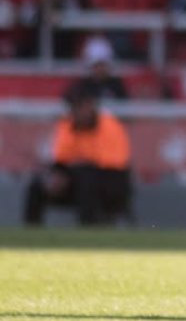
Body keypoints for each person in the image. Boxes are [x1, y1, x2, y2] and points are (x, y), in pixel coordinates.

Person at [23, 80, 134, 226]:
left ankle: (89, 228)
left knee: (87, 177)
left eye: (80, 107)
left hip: (110, 182)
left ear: (91, 105)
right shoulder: (66, 125)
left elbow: (116, 162)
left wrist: (79, 167)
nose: (77, 112)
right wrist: (57, 175)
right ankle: (31, 233)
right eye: (73, 108)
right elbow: (61, 159)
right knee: (38, 184)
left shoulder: (111, 126)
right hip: (75, 181)